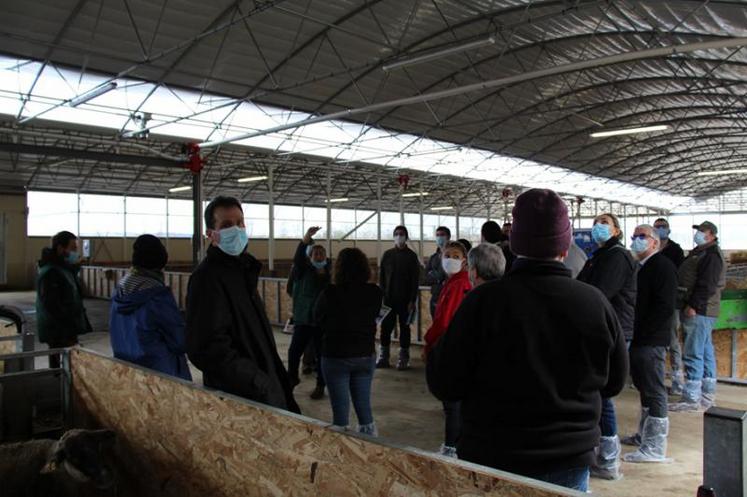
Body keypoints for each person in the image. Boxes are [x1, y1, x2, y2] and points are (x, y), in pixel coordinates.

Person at [427, 189, 628, 493]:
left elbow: (444, 382)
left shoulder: (483, 302)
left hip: (492, 456)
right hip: (568, 459)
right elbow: (613, 382)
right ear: (565, 244)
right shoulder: (594, 302)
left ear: (516, 242)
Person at [186, 196, 300, 413]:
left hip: (262, 385)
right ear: (211, 234)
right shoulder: (207, 278)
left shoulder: (242, 272)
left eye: (240, 223)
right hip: (241, 397)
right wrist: (257, 381)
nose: (237, 230)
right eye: (227, 225)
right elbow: (205, 347)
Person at [576, 212, 637, 480]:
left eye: (605, 223)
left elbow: (599, 292)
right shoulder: (600, 256)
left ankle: (608, 458)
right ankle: (600, 451)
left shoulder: (617, 257)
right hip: (597, 327)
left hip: (611, 329)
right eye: (596, 222)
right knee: (595, 390)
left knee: (602, 392)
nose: (598, 227)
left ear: (616, 230)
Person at [621, 225, 677, 463]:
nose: (636, 241)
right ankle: (644, 435)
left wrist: (645, 334)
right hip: (640, 337)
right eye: (634, 237)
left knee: (654, 390)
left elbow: (664, 306)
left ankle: (655, 447)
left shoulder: (662, 267)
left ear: (654, 242)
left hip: (651, 339)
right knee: (645, 388)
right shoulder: (641, 266)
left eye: (642, 237)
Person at [314, 248, 382, 435]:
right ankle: (371, 444)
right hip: (365, 354)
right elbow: (377, 316)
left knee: (340, 413)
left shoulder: (329, 292)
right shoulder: (375, 292)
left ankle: (343, 452)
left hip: (336, 355)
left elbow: (318, 319)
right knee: (364, 408)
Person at [109, 235, 191, 380]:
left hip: (127, 368)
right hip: (159, 371)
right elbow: (179, 340)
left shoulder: (119, 290)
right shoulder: (156, 295)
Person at [669, 221, 726, 412]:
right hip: (703, 310)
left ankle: (692, 398)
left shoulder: (711, 256)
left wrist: (694, 305)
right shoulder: (702, 252)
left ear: (711, 234)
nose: (698, 234)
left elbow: (707, 285)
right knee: (705, 350)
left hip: (700, 311)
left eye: (702, 231)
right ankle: (707, 395)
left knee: (693, 351)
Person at [424, 241, 473, 458]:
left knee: (451, 405)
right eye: (447, 255)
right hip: (458, 345)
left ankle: (451, 448)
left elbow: (444, 322)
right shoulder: (454, 282)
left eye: (455, 256)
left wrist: (430, 343)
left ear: (464, 260)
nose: (450, 260)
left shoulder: (457, 285)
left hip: (448, 347)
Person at [36, 231, 92, 368]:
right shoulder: (51, 272)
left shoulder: (61, 268)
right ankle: (57, 381)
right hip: (59, 328)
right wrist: (66, 328)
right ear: (61, 248)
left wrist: (76, 266)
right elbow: (51, 304)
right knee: (62, 360)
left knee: (64, 360)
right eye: (73, 248)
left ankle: (58, 379)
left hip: (65, 326)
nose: (75, 252)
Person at [287, 226, 330, 400]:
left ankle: (321, 384)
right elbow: (298, 259)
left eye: (322, 254)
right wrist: (306, 238)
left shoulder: (329, 275)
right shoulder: (302, 271)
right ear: (310, 257)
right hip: (303, 320)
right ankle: (291, 378)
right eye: (315, 253)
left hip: (321, 322)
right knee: (294, 352)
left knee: (322, 355)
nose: (319, 256)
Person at [377, 226, 421, 371]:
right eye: (396, 234)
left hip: (405, 300)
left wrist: (412, 300)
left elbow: (415, 280)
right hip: (388, 299)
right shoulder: (387, 255)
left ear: (406, 237)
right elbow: (382, 277)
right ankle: (383, 357)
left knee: (405, 328)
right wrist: (381, 296)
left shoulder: (411, 256)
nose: (399, 236)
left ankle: (404, 358)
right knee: (386, 328)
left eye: (401, 234)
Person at [653, 218, 686, 395]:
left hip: (670, 302)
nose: (660, 230)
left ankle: (677, 380)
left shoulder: (675, 250)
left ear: (668, 230)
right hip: (652, 303)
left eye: (662, 227)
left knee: (672, 341)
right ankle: (653, 377)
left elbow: (679, 276)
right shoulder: (651, 248)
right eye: (657, 227)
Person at [424, 227, 451, 318]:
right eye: (437, 235)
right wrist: (439, 278)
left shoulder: (454, 256)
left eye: (442, 235)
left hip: (450, 297)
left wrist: (434, 274)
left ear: (448, 237)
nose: (439, 237)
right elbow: (426, 277)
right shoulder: (433, 258)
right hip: (436, 296)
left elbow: (452, 277)